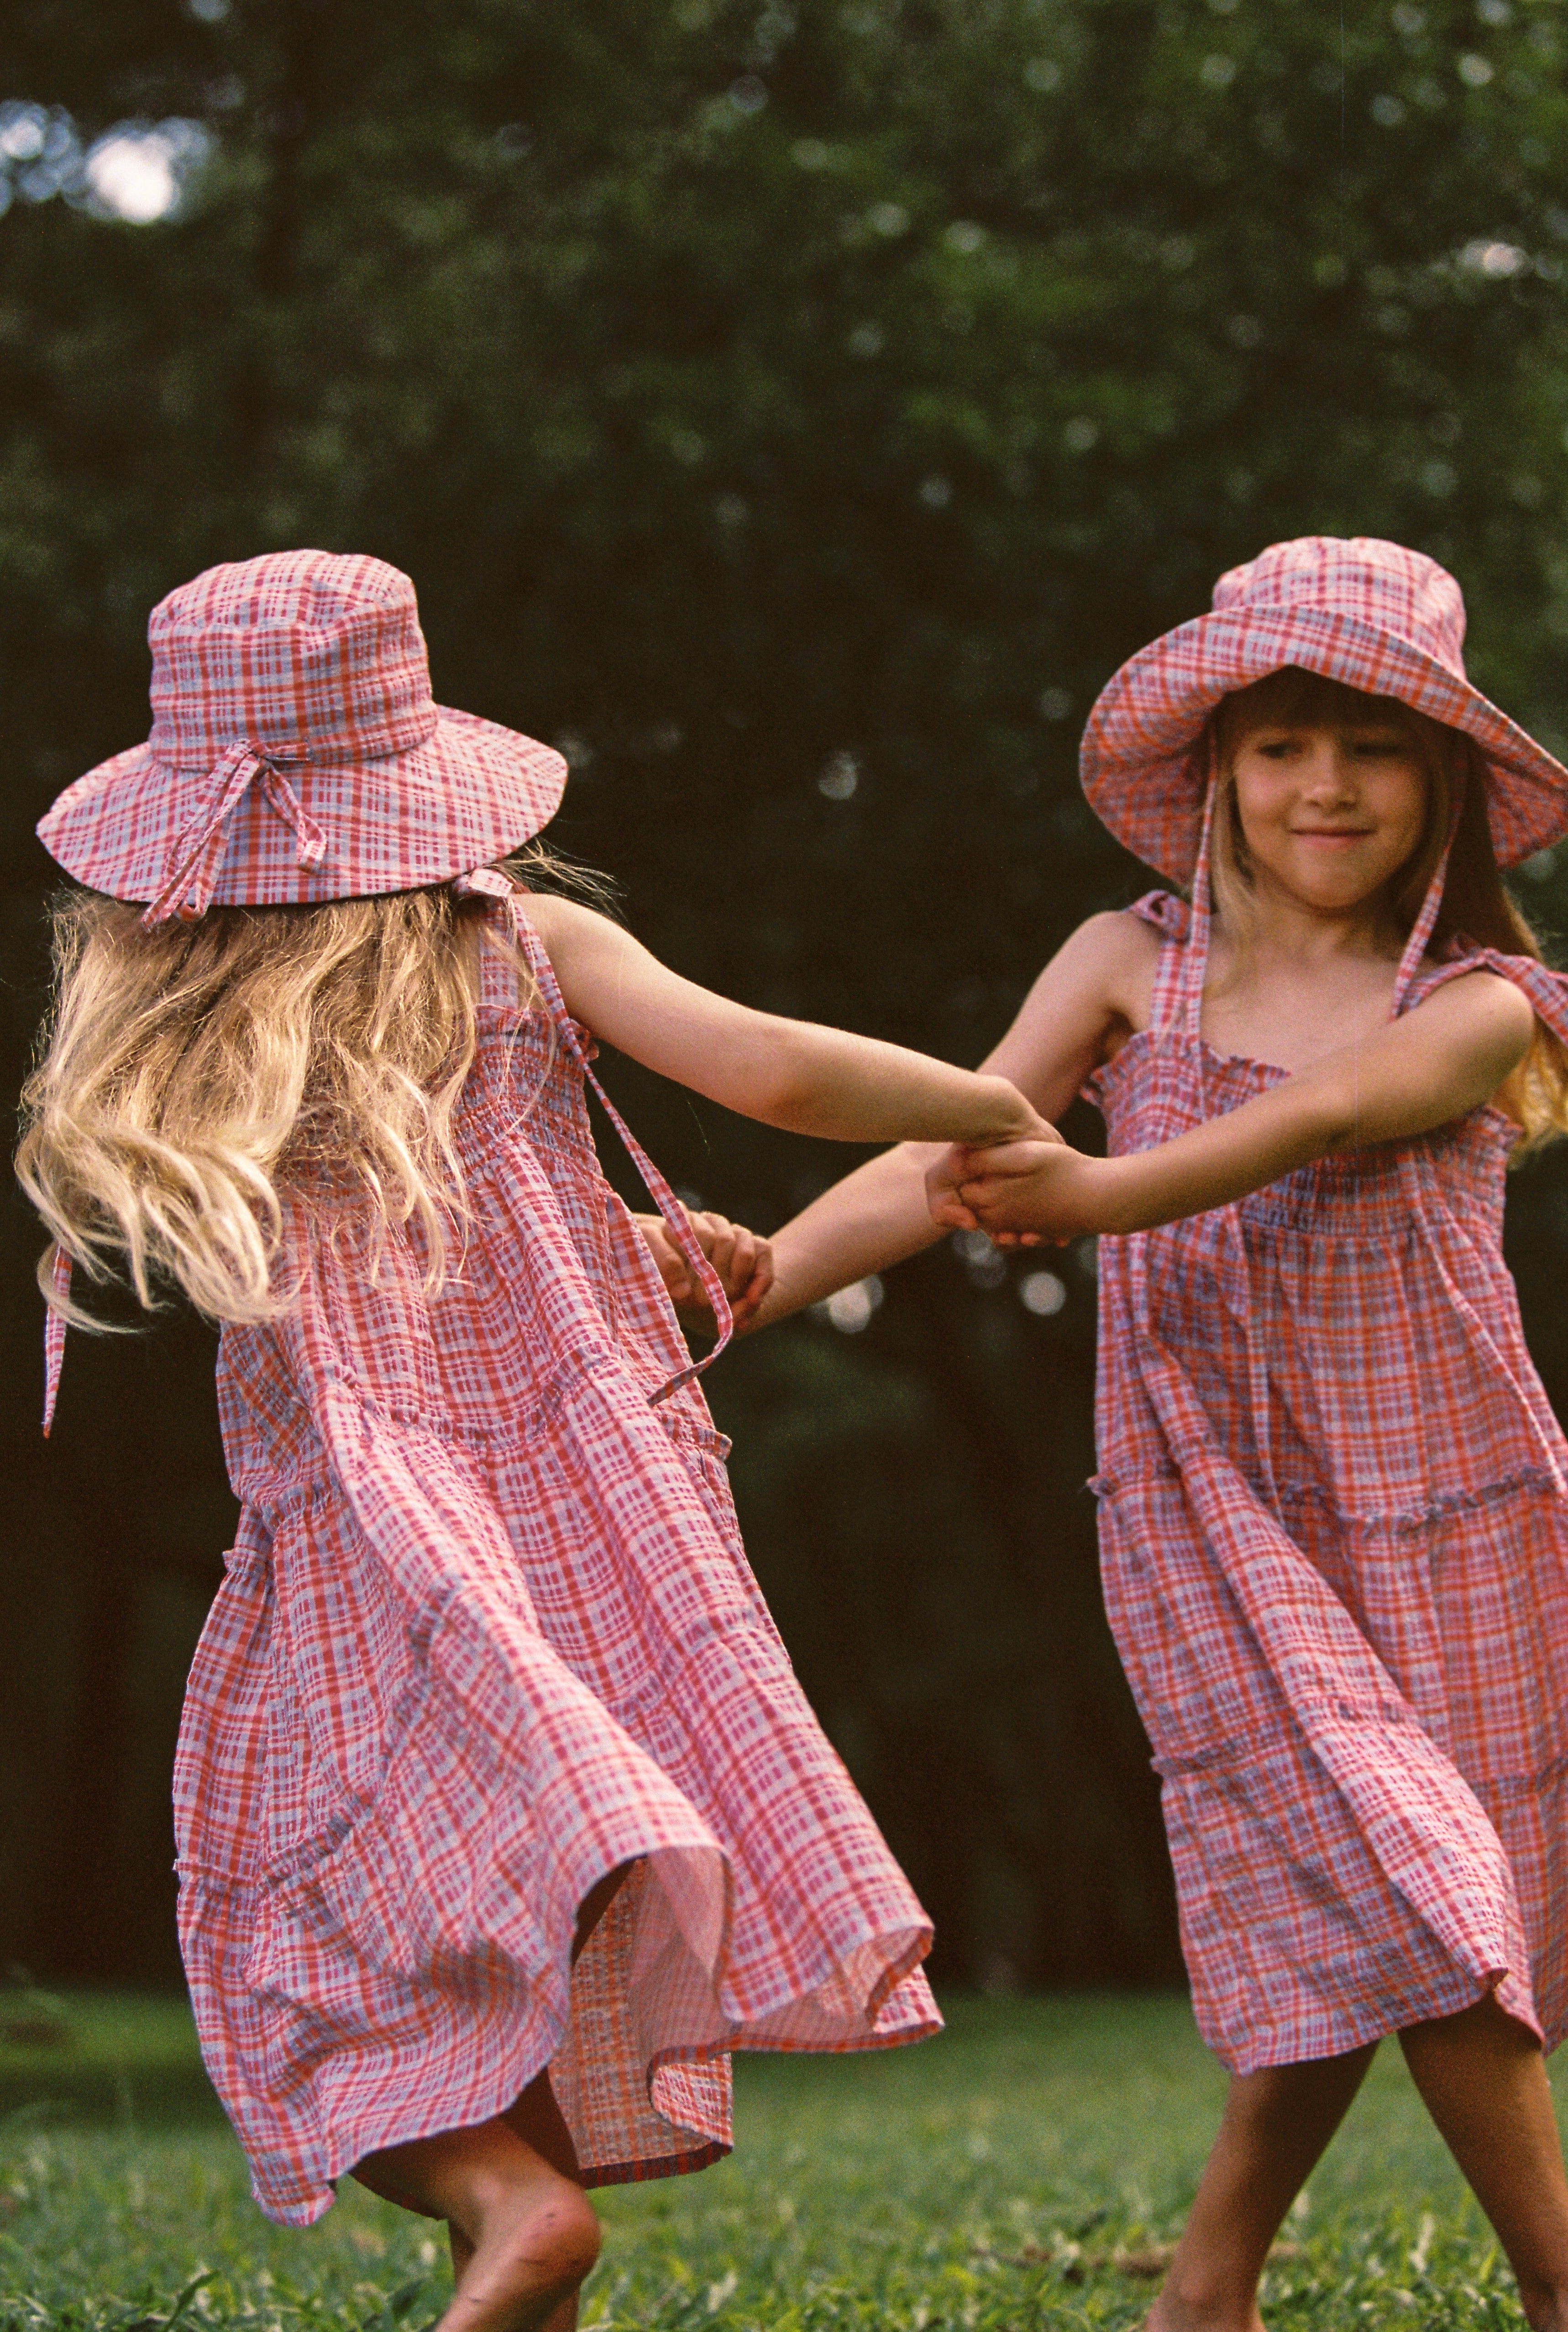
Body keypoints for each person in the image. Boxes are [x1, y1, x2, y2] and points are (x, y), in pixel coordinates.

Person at [16, 550, 1051, 2332]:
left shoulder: (206, 1020)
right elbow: (779, 1071)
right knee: (526, 1903)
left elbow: (373, 1258)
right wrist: (989, 1099)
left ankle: (501, 2195)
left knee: (303, 1942)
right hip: (601, 1504)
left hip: (375, 1528)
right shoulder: (521, 944)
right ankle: (521, 2228)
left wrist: (616, 1241)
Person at [749, 538, 1568, 2332]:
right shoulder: (1127, 960)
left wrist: (1108, 1188)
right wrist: (762, 1275)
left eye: (1370, 743)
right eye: (1280, 743)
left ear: (1440, 775)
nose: (1324, 785)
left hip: (1450, 1509)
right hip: (1209, 1506)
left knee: (1382, 1898)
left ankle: (1202, 2289)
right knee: (1414, 1888)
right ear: (1217, 769)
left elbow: (1337, 1108)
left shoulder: (1485, 999)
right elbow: (946, 1152)